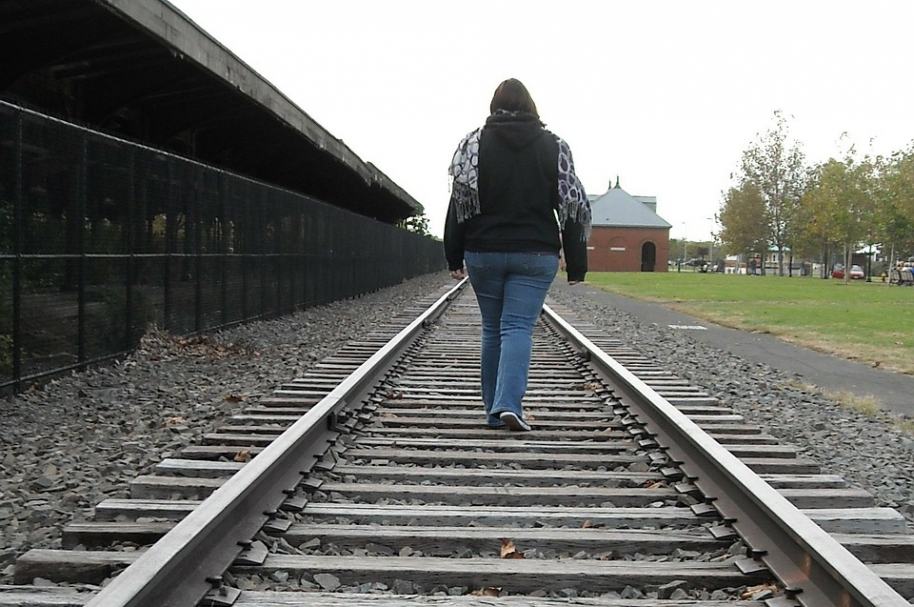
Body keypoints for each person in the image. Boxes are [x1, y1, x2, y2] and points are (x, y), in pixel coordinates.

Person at [443, 78, 590, 431]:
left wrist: (453, 255)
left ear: (494, 105)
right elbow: (570, 205)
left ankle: (494, 412)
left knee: (493, 328)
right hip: (535, 252)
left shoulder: (472, 144)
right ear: (531, 105)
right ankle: (509, 404)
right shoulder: (554, 146)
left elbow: (459, 202)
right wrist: (576, 264)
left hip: (484, 251)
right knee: (518, 327)